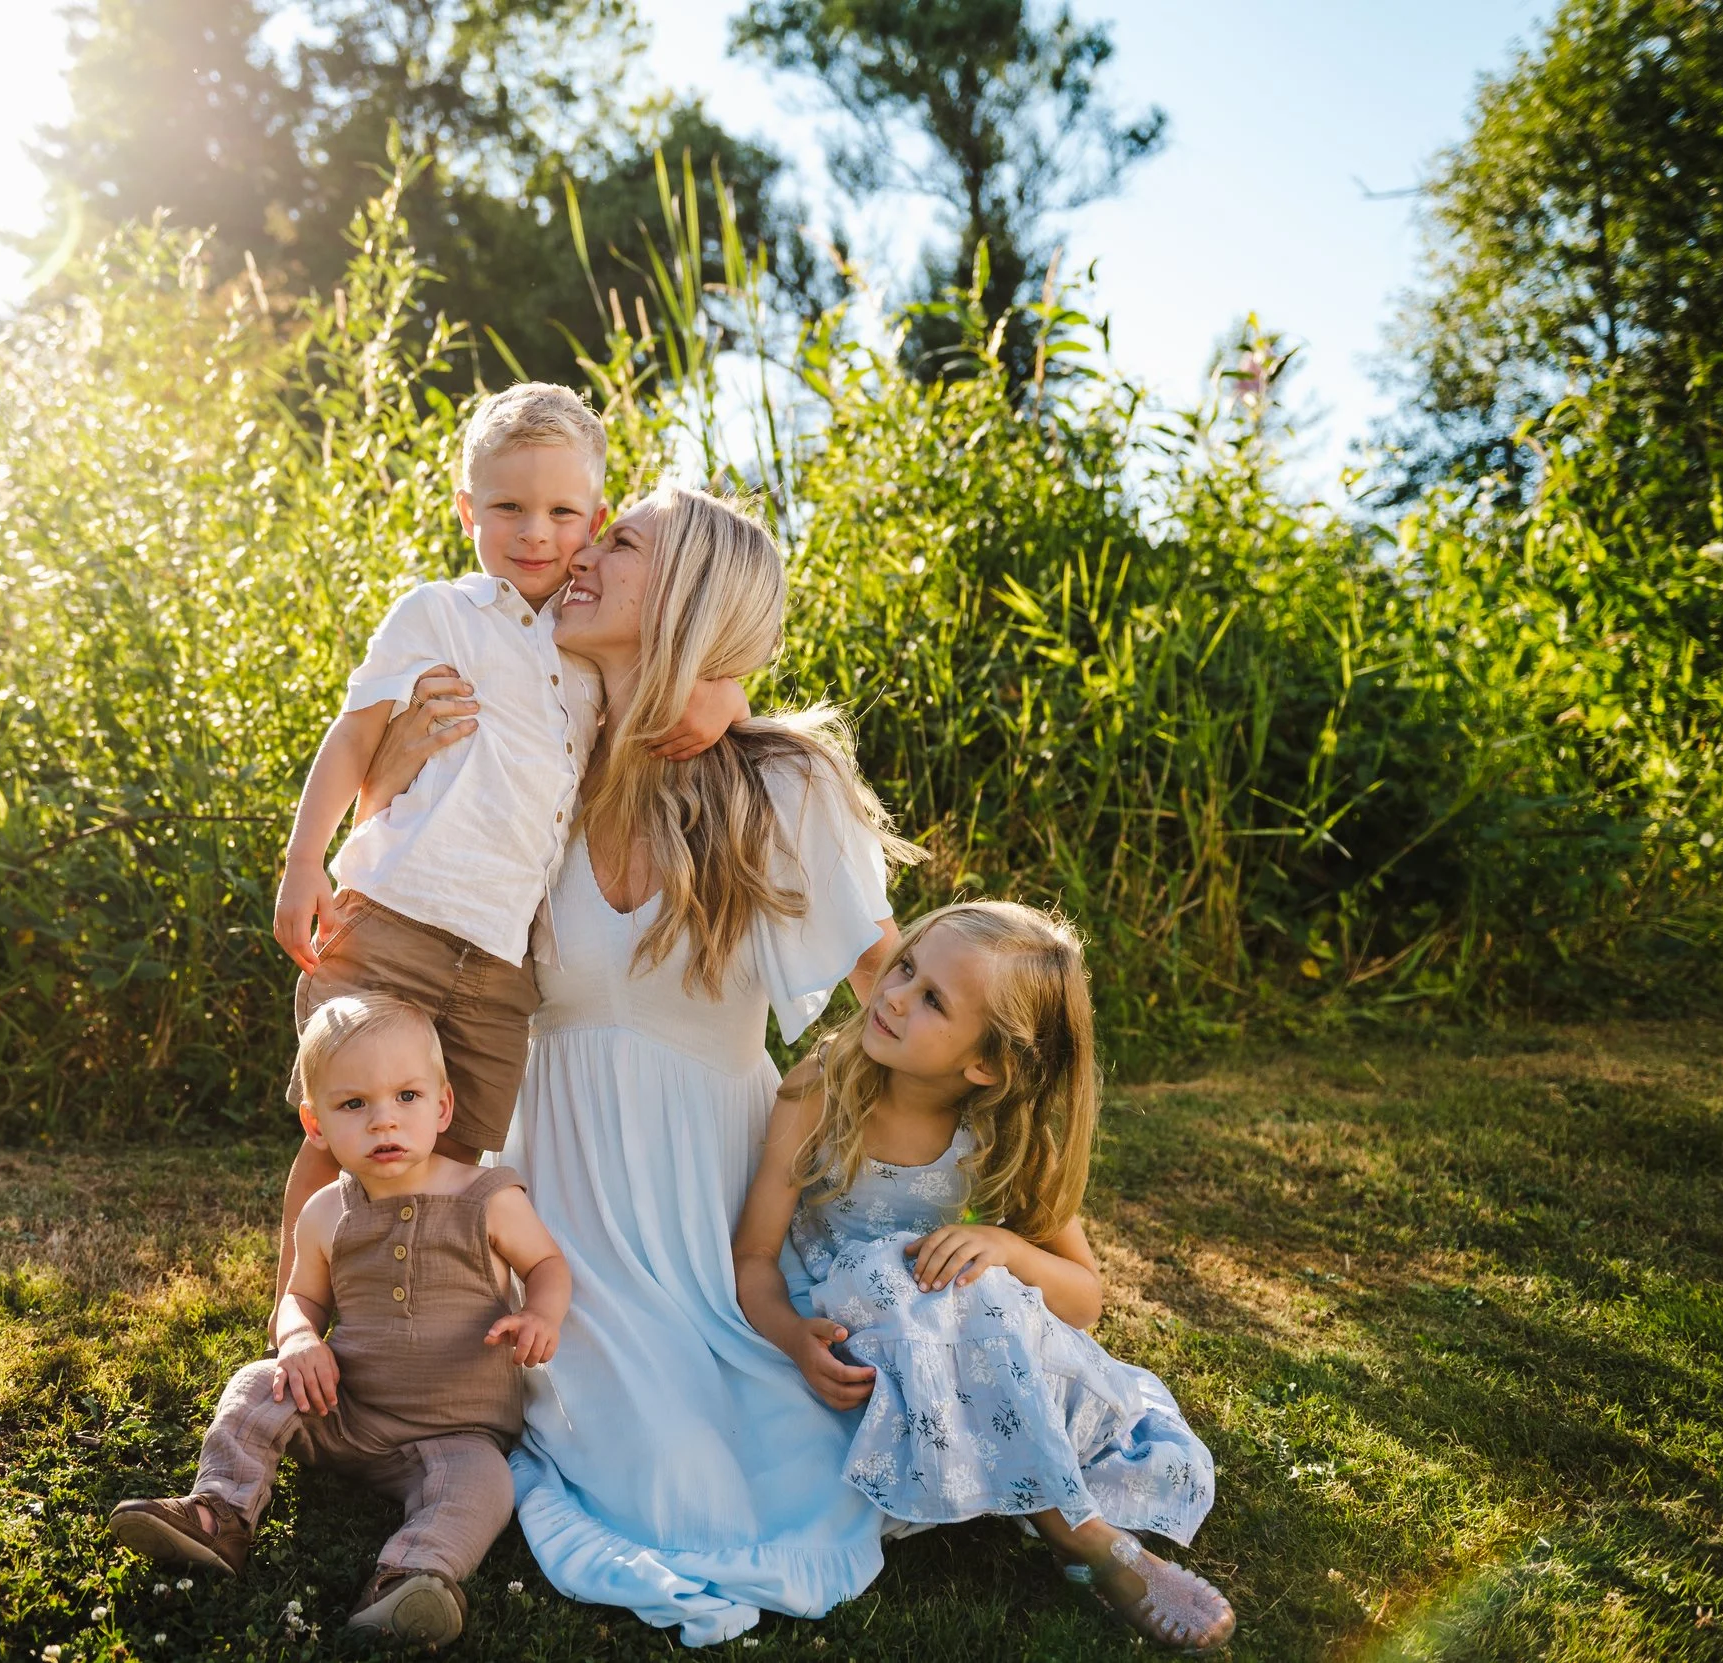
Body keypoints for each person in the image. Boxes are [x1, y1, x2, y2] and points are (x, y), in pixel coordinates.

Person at [490, 482, 921, 1646]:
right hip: (561, 1201)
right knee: (655, 1460)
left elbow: (890, 983)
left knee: (780, 1448)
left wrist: (988, 1134)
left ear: (684, 594)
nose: (575, 551)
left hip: (716, 1202)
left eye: (616, 541)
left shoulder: (778, 782)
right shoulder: (535, 746)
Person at [267, 382, 744, 1304]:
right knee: (345, 1131)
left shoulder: (588, 646)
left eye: (563, 512)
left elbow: (686, 687)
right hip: (394, 915)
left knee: (451, 1152)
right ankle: (296, 1311)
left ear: (597, 520)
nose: (535, 532)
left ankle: (406, 1323)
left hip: (498, 962)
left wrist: (727, 696)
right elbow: (352, 736)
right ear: (466, 512)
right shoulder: (439, 614)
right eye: (508, 507)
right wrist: (302, 865)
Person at [732, 901, 1235, 1654]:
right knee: (931, 1289)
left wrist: (1005, 1244)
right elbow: (752, 1258)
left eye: (932, 998)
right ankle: (1088, 1540)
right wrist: (790, 1335)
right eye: (905, 965)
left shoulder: (998, 1133)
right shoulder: (822, 1088)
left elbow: (1084, 1297)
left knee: (980, 1288)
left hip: (958, 1330)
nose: (895, 993)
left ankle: (1073, 1528)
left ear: (985, 1065)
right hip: (852, 1325)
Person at [108, 992, 571, 1648]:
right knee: (254, 1385)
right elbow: (302, 1297)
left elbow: (547, 1262)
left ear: (442, 1105)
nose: (385, 1121)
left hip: (455, 1434)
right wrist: (298, 1337)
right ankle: (219, 1514)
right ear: (317, 1122)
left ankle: (410, 1575)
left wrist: (539, 1313)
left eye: (407, 1096)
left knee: (485, 1482)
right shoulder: (327, 1211)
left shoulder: (486, 1197)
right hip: (343, 1411)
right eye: (354, 1104)